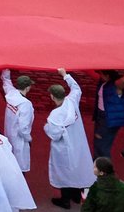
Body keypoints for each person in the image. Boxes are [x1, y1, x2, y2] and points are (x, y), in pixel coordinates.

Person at [45, 72, 97, 209]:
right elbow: (76, 88)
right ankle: (76, 195)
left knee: (64, 171)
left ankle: (65, 200)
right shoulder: (72, 101)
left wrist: (46, 128)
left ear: (52, 96)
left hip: (63, 148)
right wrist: (65, 75)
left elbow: (54, 134)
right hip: (78, 143)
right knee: (77, 168)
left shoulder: (55, 115)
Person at [92, 69, 124, 162]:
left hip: (109, 119)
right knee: (98, 142)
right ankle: (97, 164)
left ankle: (104, 168)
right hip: (102, 116)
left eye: (101, 74)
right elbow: (91, 73)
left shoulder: (116, 86)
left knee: (102, 144)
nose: (100, 76)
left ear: (107, 76)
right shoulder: (103, 83)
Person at [0, 73, 37, 174]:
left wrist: (6, 68)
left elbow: (6, 80)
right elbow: (23, 128)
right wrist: (29, 139)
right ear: (28, 87)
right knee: (19, 171)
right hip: (19, 142)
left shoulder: (11, 94)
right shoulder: (26, 105)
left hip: (9, 137)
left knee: (10, 167)